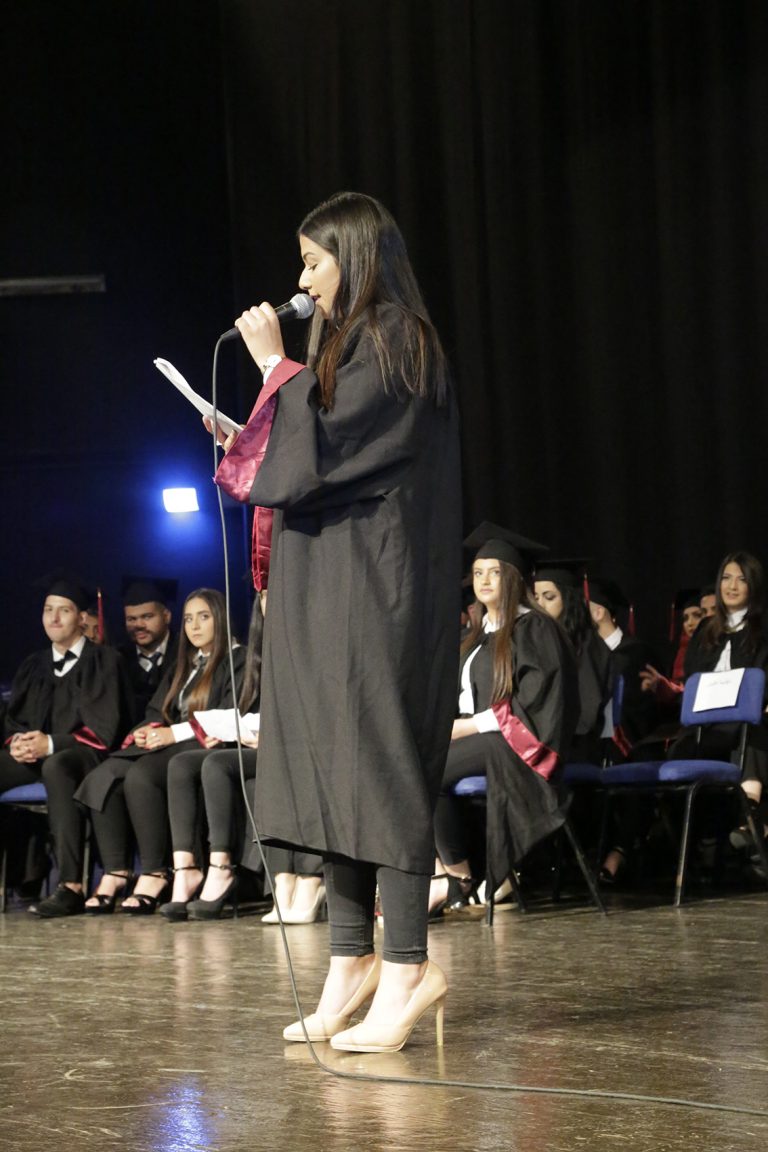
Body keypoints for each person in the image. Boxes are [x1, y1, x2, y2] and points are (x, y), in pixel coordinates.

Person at [214, 191, 460, 1053]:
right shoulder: (339, 343)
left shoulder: (398, 338)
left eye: (314, 261)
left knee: (379, 768)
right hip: (325, 585)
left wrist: (274, 370)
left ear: (355, 258)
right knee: (332, 768)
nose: (303, 278)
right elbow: (300, 454)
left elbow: (332, 447)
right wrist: (252, 428)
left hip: (375, 585)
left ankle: (409, 966)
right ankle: (351, 960)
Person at [430, 527, 580, 914]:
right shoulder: (476, 636)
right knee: (409, 764)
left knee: (428, 769)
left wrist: (464, 727)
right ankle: (451, 874)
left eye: (494, 572)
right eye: (478, 572)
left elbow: (536, 701)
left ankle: (455, 879)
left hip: (520, 746)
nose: (484, 580)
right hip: (481, 741)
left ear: (512, 577)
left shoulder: (534, 628)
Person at [77, 589, 245, 914]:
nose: (194, 626)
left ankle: (155, 872)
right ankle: (116, 871)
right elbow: (159, 710)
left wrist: (172, 733)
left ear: (221, 618)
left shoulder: (238, 660)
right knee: (105, 775)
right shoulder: (187, 663)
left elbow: (228, 716)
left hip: (207, 744)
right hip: (172, 742)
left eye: (204, 617)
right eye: (189, 619)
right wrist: (148, 729)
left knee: (142, 775)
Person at [0, 576, 134, 916]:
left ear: (82, 618)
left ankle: (70, 885)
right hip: (37, 755)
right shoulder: (33, 665)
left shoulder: (105, 661)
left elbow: (105, 729)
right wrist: (17, 742)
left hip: (86, 756)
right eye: (48, 610)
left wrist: (51, 744)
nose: (54, 618)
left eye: (64, 610)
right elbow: (14, 719)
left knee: (57, 766)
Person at [534, 559, 613, 764]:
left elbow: (586, 712)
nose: (540, 605)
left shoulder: (587, 644)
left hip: (573, 744)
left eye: (549, 597)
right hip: (541, 738)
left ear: (568, 599)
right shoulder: (536, 641)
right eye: (536, 597)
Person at [117, 578, 178, 721]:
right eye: (131, 619)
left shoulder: (185, 654)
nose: (139, 625)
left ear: (166, 616)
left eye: (147, 617)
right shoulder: (118, 659)